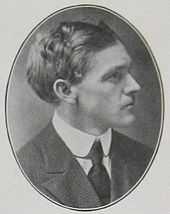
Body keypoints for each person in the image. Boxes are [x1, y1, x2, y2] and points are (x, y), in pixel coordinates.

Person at [18, 21, 152, 209]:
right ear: (65, 90)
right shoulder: (23, 170)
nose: (134, 86)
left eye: (128, 72)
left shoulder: (148, 158)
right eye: (114, 76)